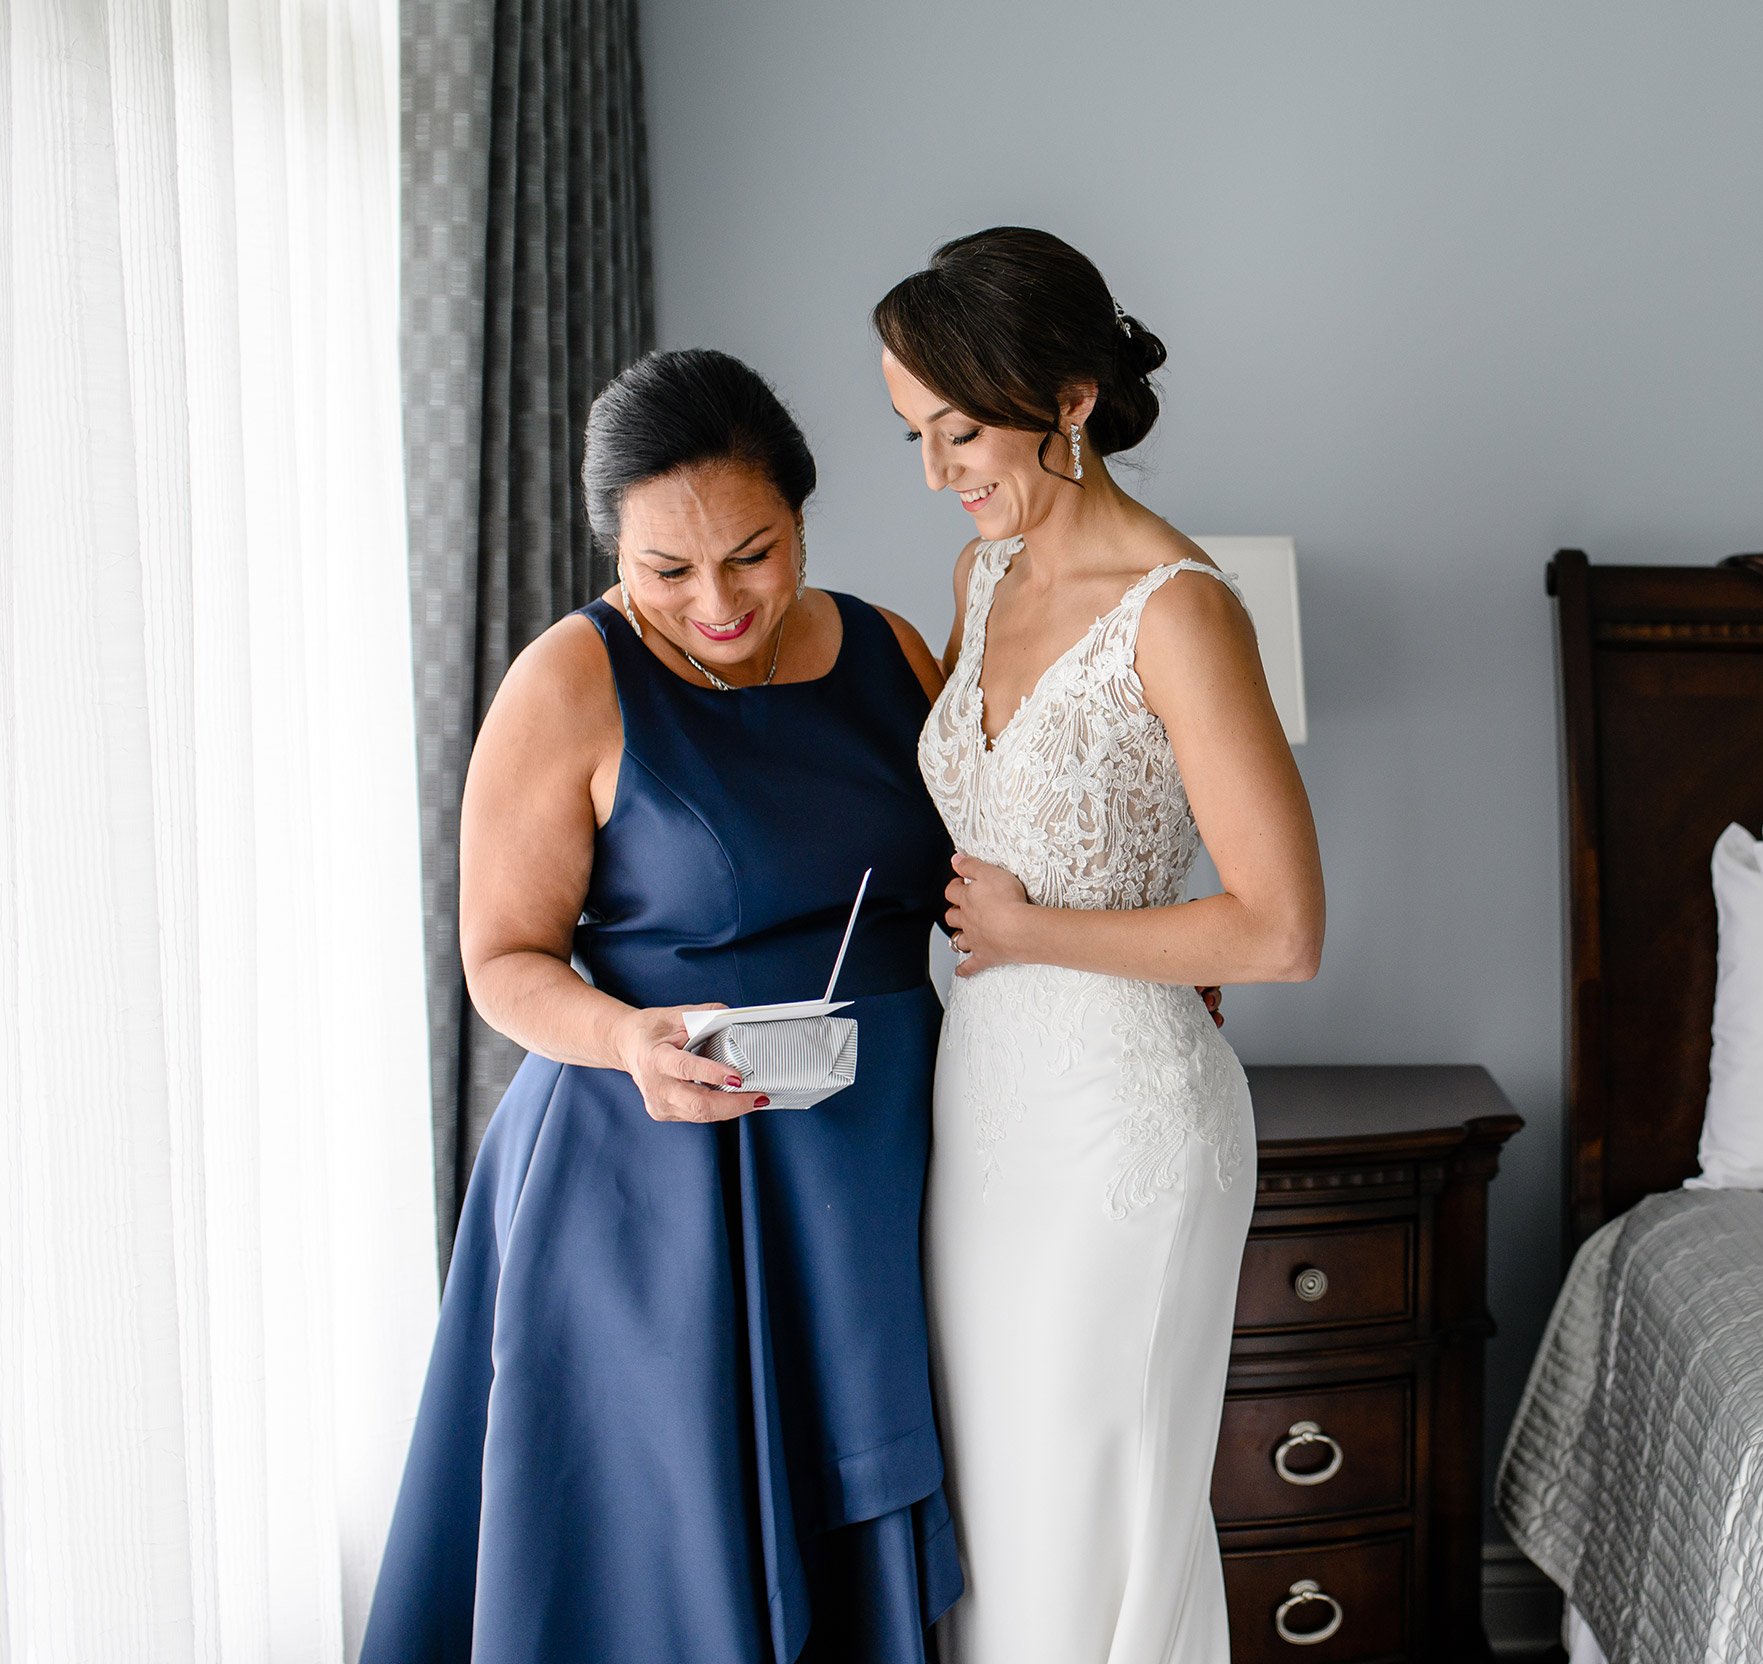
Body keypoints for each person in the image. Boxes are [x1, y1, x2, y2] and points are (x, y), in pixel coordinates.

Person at [364, 349, 962, 1664]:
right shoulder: (569, 682)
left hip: (865, 1171)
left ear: (802, 513)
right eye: (666, 571)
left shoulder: (891, 650)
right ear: (613, 553)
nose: (718, 601)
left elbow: (979, 878)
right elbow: (502, 958)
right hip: (650, 1178)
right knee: (659, 1583)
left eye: (753, 554)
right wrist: (627, 1035)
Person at [877, 229, 1327, 1664]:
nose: (938, 468)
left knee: (1095, 1521)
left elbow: (1282, 925)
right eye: (914, 433)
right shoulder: (979, 579)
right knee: (1005, 1529)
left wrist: (1033, 929)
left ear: (1069, 400)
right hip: (990, 1105)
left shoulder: (1182, 612)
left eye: (961, 428)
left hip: (1124, 1133)